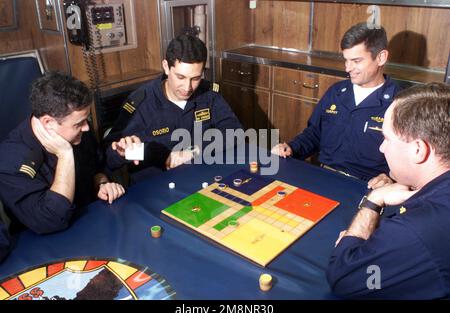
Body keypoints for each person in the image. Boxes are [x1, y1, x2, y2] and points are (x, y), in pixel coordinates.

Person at [327, 82, 450, 299]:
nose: (381, 148)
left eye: (386, 138)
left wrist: (373, 201)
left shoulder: (415, 229)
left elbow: (343, 277)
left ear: (418, 150)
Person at [271, 23, 401, 182]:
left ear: (381, 57)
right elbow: (314, 133)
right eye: (346, 60)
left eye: (356, 61)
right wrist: (291, 148)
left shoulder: (400, 103)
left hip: (367, 185)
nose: (348, 68)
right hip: (324, 176)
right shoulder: (337, 92)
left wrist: (390, 178)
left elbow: (409, 159)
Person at [0, 72, 125, 235]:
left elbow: (96, 166)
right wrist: (65, 155)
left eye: (86, 121)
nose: (86, 128)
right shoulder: (11, 159)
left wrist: (101, 184)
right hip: (45, 245)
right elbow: (49, 220)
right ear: (48, 122)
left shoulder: (79, 131)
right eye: (79, 124)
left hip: (89, 221)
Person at [104, 34, 242, 182]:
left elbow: (235, 132)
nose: (188, 87)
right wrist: (123, 152)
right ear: (166, 67)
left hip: (203, 176)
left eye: (195, 78)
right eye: (180, 77)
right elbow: (108, 157)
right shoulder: (141, 102)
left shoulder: (208, 94)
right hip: (155, 185)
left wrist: (193, 151)